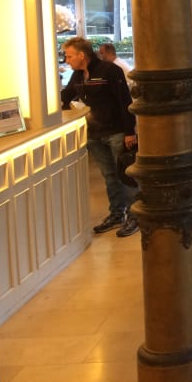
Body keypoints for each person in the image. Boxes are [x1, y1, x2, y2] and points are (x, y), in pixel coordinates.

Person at [61, 36, 139, 237]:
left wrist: (129, 131)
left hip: (116, 131)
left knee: (125, 174)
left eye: (69, 56)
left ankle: (135, 216)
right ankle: (117, 214)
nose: (66, 60)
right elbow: (66, 96)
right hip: (94, 134)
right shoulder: (77, 76)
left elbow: (124, 100)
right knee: (109, 176)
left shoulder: (109, 70)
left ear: (81, 55)